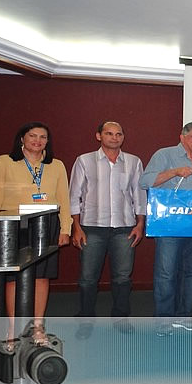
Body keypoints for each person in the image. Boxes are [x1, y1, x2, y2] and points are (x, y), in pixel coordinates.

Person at [0, 122, 71, 345]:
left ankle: (38, 327)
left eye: (43, 137)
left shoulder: (56, 165)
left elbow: (63, 198)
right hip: (12, 226)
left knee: (41, 277)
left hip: (46, 224)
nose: (38, 140)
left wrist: (66, 228)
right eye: (33, 136)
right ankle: (13, 330)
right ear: (22, 139)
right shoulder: (4, 162)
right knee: (13, 280)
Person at [69, 121, 146, 335]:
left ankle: (121, 318)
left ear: (123, 137)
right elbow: (74, 195)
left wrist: (140, 224)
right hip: (92, 227)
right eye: (109, 133)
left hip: (125, 228)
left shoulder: (133, 162)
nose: (114, 137)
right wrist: (76, 227)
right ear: (98, 136)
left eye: (118, 134)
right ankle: (86, 318)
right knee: (87, 277)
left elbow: (139, 195)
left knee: (122, 277)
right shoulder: (84, 160)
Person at [139, 122, 192, 336]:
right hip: (169, 226)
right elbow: (145, 182)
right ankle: (163, 321)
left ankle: (184, 316)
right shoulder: (165, 155)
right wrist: (174, 172)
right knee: (166, 273)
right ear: (182, 137)